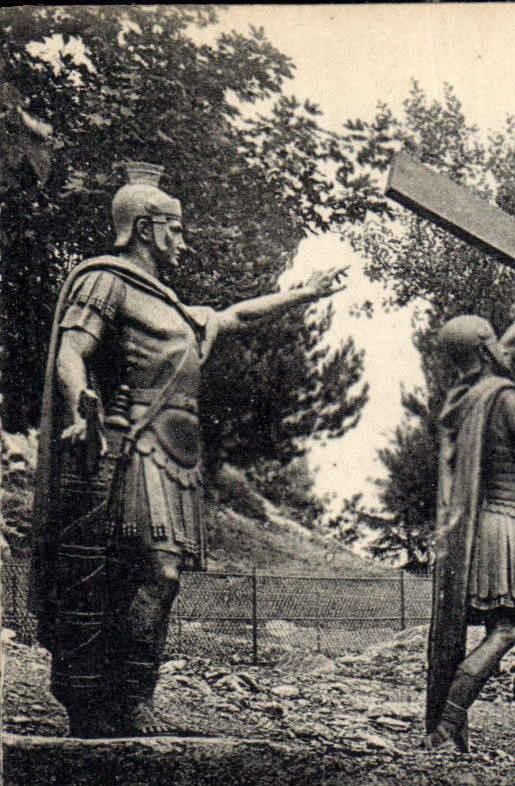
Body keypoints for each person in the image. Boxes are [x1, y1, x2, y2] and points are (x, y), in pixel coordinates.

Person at [32, 162, 344, 737]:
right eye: (174, 229)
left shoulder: (172, 306)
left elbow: (235, 316)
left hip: (175, 459)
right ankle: (116, 701)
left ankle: (132, 698)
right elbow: (71, 351)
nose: (182, 240)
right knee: (151, 573)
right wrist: (80, 405)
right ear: (145, 229)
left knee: (154, 577)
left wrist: (306, 293)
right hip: (132, 449)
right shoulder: (106, 281)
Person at [424, 295, 515, 753]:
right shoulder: (512, 401)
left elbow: (505, 345)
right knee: (506, 630)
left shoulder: (461, 402)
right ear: (487, 349)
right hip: (509, 528)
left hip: (479, 528)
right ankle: (445, 729)